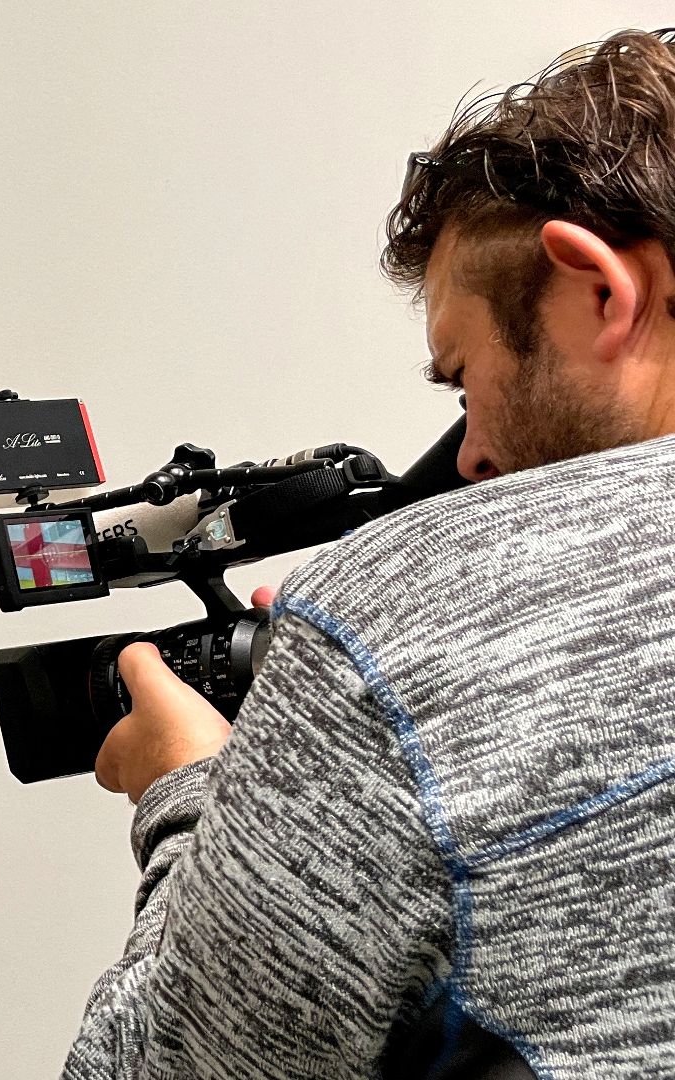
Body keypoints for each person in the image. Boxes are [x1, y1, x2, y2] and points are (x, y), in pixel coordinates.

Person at [66, 28, 675, 1079]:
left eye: (462, 378)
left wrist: (190, 793)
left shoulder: (400, 619)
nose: (470, 454)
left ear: (599, 291)